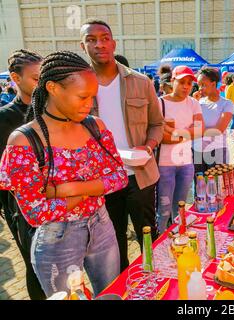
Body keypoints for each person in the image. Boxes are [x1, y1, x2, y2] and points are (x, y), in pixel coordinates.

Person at [0, 51, 127, 298]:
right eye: (82, 96)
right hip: (57, 239)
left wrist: (66, 189)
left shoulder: (95, 126)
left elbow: (120, 177)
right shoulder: (24, 141)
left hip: (102, 226)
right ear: (52, 88)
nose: (89, 104)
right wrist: (95, 187)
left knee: (112, 293)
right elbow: (37, 212)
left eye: (92, 97)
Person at [80, 19, 164, 272]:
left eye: (105, 38)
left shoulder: (140, 81)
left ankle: (154, 278)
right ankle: (124, 287)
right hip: (100, 182)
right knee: (113, 243)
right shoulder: (77, 86)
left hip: (139, 176)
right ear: (82, 46)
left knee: (148, 235)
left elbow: (157, 124)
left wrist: (148, 147)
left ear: (113, 43)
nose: (99, 44)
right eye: (91, 40)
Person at [0, 49, 45, 300]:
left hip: (61, 204)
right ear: (16, 79)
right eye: (36, 78)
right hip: (23, 209)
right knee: (34, 266)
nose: (43, 83)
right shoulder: (4, 118)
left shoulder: (53, 111)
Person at [157, 65, 204, 233]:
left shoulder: (193, 103)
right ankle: (158, 246)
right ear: (172, 81)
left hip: (186, 164)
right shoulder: (160, 103)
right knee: (163, 210)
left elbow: (200, 130)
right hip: (165, 165)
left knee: (180, 209)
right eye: (182, 82)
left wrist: (173, 131)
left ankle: (179, 240)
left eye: (189, 83)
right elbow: (163, 138)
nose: (186, 86)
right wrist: (188, 132)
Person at [193, 67, 233, 174]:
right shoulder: (198, 102)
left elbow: (218, 130)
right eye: (199, 85)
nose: (200, 88)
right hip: (198, 151)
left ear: (213, 84)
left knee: (216, 187)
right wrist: (193, 103)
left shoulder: (226, 104)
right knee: (199, 187)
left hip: (217, 151)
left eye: (203, 85)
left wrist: (196, 132)